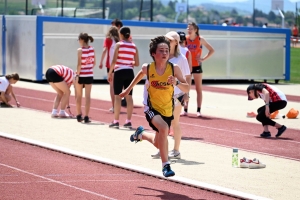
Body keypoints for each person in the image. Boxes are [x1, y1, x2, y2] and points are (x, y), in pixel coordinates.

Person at [120, 36, 189, 177]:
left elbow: (187, 88)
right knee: (164, 129)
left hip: (167, 109)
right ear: (153, 53)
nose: (164, 53)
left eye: (166, 50)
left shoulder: (174, 69)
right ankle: (166, 166)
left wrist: (176, 82)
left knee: (159, 143)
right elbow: (138, 76)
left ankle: (141, 135)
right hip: (151, 108)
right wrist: (127, 90)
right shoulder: (148, 68)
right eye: (161, 50)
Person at [150, 31, 191, 159]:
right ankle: (162, 148)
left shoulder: (181, 59)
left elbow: (188, 77)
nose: (166, 41)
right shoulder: (163, 56)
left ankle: (176, 150)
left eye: (169, 40)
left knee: (174, 122)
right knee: (161, 123)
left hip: (176, 95)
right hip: (162, 94)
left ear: (176, 43)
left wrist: (186, 93)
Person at [108, 27, 139, 129]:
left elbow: (114, 60)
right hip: (130, 72)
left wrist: (110, 72)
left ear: (120, 34)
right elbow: (137, 63)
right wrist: (129, 62)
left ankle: (116, 121)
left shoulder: (119, 44)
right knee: (129, 97)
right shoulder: (134, 46)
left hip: (119, 71)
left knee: (117, 96)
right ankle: (128, 121)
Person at [182, 22, 214, 117]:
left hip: (197, 66)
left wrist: (203, 59)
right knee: (186, 88)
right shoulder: (185, 39)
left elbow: (211, 50)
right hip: (187, 66)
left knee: (198, 88)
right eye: (188, 28)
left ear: (195, 30)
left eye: (191, 28)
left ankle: (198, 110)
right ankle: (185, 109)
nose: (189, 30)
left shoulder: (200, 39)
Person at [75, 32, 96, 123]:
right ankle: (86, 116)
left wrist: (77, 74)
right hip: (89, 74)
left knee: (79, 96)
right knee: (88, 96)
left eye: (79, 40)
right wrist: (89, 68)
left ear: (81, 40)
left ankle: (79, 115)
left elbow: (79, 64)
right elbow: (94, 63)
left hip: (81, 74)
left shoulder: (80, 50)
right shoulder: (92, 49)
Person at [99, 26, 120, 113]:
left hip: (110, 65)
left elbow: (104, 50)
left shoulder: (108, 39)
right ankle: (118, 105)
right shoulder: (119, 40)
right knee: (117, 86)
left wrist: (101, 62)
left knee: (112, 86)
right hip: (119, 65)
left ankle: (114, 106)